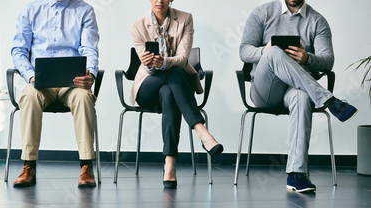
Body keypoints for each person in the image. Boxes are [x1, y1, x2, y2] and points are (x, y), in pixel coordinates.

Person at [240, 0, 358, 193]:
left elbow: (328, 60)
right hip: (265, 91)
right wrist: (265, 50)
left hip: (295, 89)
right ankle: (328, 100)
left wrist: (308, 58)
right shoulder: (262, 12)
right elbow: (244, 51)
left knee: (303, 98)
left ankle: (297, 174)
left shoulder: (317, 21)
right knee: (274, 52)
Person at [130, 0, 223, 189]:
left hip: (173, 88)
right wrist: (151, 64)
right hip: (148, 86)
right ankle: (201, 131)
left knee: (170, 89)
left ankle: (169, 165)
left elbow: (182, 58)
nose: (159, 1)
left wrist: (163, 62)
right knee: (174, 73)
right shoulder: (137, 26)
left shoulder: (185, 19)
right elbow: (152, 64)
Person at [11, 0, 100, 188]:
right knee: (29, 97)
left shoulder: (84, 10)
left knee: (84, 97)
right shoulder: (31, 9)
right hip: (40, 82)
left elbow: (89, 48)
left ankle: (86, 166)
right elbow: (19, 50)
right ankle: (29, 165)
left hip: (73, 83)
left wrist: (90, 74)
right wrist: (30, 75)